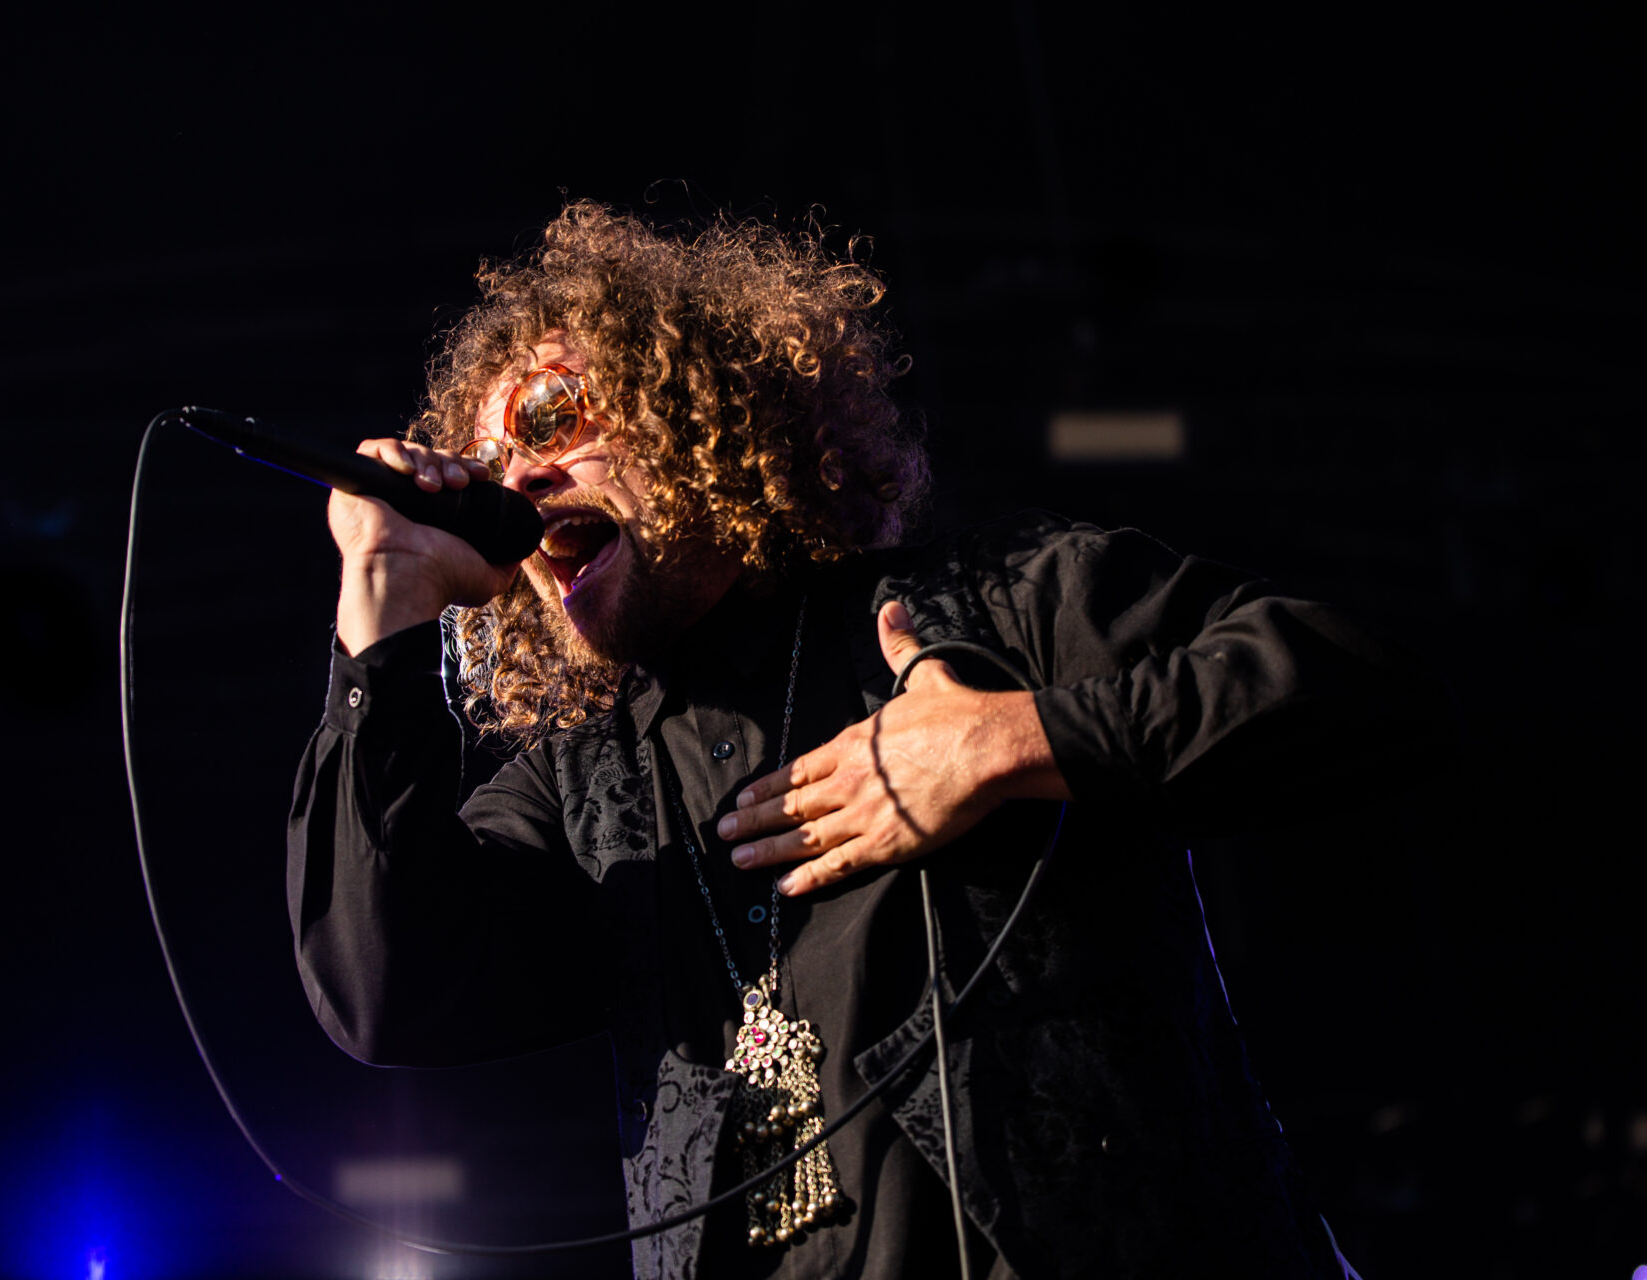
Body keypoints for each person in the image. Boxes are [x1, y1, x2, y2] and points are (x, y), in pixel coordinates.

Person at [288, 202, 1427, 1278]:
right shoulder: (583, 792)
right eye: (491, 467)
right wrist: (383, 600)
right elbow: (389, 987)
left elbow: (1360, 684)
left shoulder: (992, 610)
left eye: (548, 419)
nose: (520, 480)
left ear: (695, 406)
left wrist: (1018, 740)